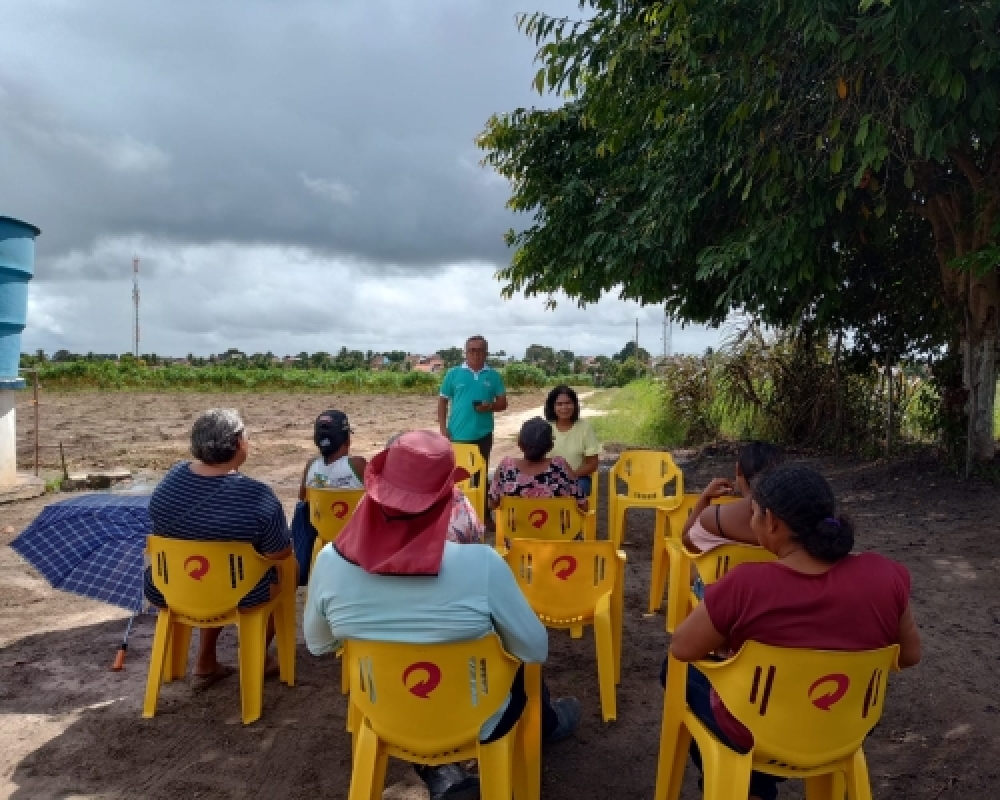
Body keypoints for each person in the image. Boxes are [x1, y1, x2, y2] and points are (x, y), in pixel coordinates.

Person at [304, 431, 579, 800]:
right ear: (448, 499)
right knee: (511, 660)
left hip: (385, 712)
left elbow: (320, 645)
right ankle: (547, 724)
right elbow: (534, 649)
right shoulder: (482, 565)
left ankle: (440, 774)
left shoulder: (330, 563)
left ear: (375, 493)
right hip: (478, 719)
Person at [668, 465, 922, 800]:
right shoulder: (886, 576)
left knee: (679, 675)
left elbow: (683, 648)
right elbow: (908, 656)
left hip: (758, 729)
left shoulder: (746, 584)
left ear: (771, 522)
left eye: (754, 514)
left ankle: (751, 788)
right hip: (844, 726)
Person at [144, 408, 293, 690]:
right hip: (232, 591)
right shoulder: (256, 494)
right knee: (283, 572)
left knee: (213, 572)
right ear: (238, 443)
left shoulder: (171, 479)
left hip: (170, 588)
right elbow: (278, 552)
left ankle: (205, 662)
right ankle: (258, 657)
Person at [681, 441, 783, 553]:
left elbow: (687, 543)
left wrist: (704, 498)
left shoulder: (715, 518)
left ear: (738, 469)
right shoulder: (793, 521)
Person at [438, 335, 508, 474]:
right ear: (466, 352)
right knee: (459, 478)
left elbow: (503, 403)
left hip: (483, 435)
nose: (476, 353)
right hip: (457, 435)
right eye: (472, 350)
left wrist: (489, 406)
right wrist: (443, 429)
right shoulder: (453, 374)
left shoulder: (494, 376)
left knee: (480, 478)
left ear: (486, 353)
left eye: (480, 350)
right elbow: (442, 402)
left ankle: (480, 496)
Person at [488, 416, 587, 514]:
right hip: (555, 529)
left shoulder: (506, 466)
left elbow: (492, 504)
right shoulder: (560, 465)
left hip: (516, 529)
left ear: (519, 443)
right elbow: (583, 505)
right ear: (550, 447)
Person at [544, 385, 601, 497]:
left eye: (568, 403)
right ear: (552, 406)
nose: (564, 408)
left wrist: (571, 475)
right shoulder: (545, 427)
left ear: (575, 405)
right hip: (548, 477)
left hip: (578, 477)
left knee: (579, 488)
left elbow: (592, 464)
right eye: (559, 404)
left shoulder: (585, 428)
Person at [297, 409, 366, 498]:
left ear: (316, 441)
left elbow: (302, 501)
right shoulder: (358, 465)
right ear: (347, 441)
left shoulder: (311, 466)